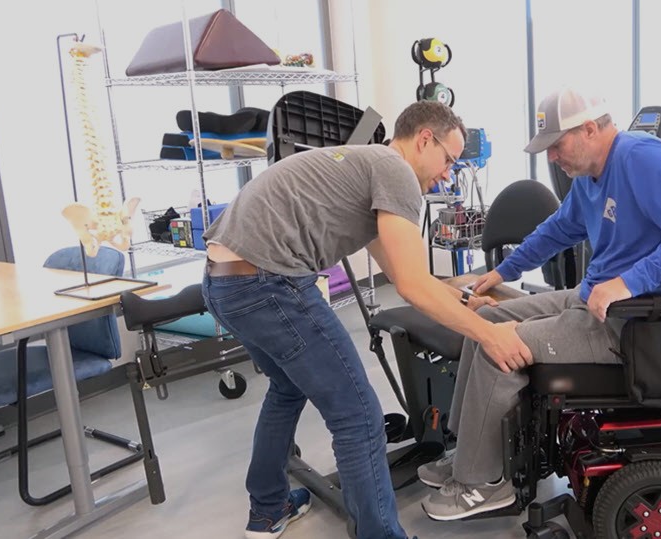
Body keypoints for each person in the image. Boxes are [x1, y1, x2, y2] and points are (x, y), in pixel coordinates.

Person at [200, 101, 532, 539]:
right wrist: (489, 335)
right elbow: (412, 287)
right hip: (269, 283)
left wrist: (461, 295)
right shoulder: (395, 172)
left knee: (285, 390)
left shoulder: (362, 165)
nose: (449, 173)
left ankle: (268, 509)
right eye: (449, 160)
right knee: (357, 416)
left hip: (223, 282)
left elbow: (403, 272)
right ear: (424, 139)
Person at [419, 87, 661, 520]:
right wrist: (502, 272)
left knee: (499, 353)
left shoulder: (642, 157)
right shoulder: (589, 178)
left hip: (637, 321)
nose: (551, 158)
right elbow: (558, 229)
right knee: (486, 326)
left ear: (589, 129)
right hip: (595, 301)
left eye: (556, 146)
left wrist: (627, 282)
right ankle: (467, 455)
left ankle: (484, 484)